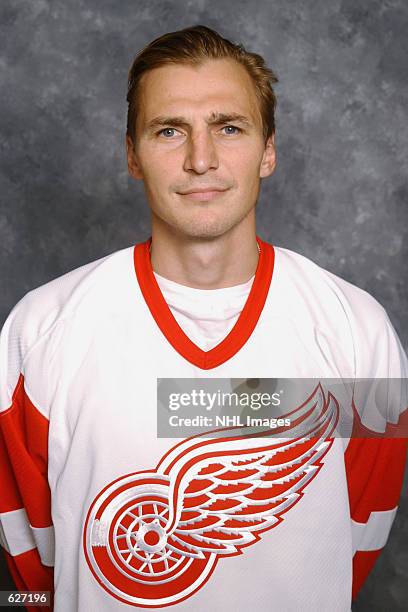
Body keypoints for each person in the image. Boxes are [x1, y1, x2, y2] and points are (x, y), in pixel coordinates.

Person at [0, 24, 407, 612]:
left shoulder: (357, 329)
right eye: (169, 131)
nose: (201, 159)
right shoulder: (40, 330)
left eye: (229, 127)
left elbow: (361, 531)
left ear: (268, 149)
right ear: (132, 155)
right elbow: (33, 568)